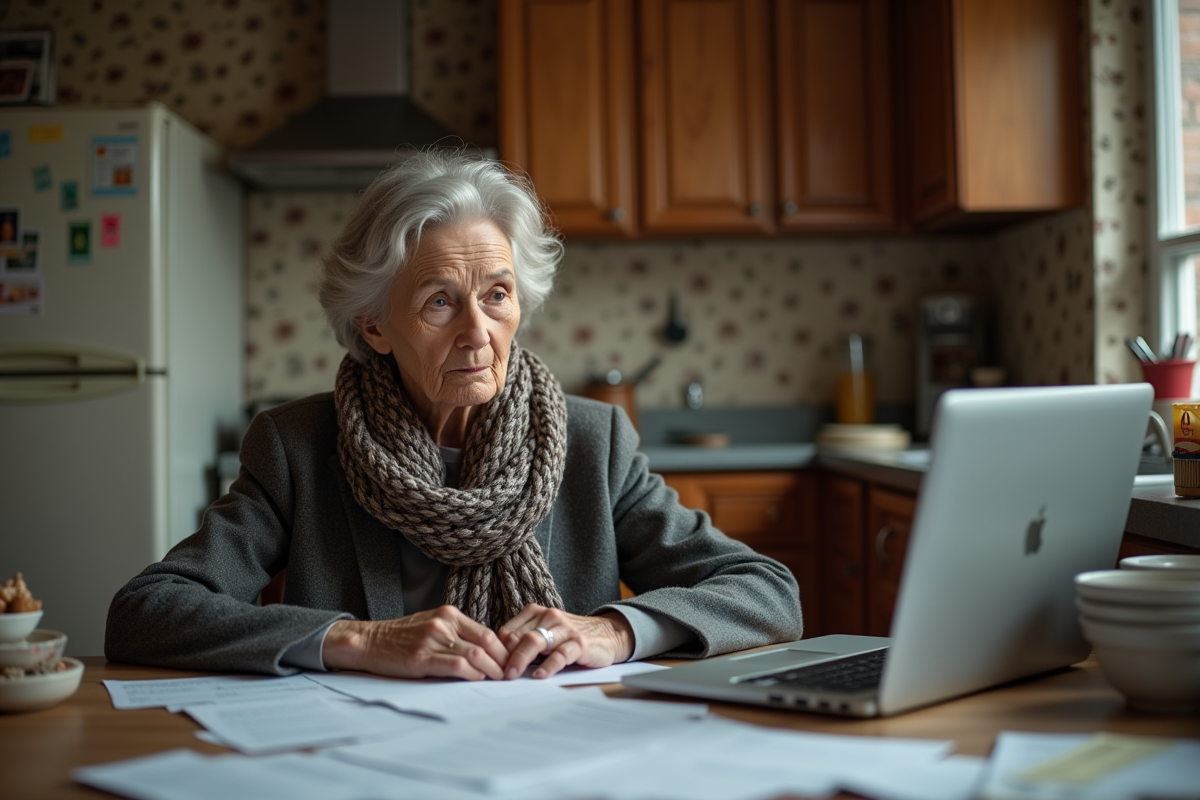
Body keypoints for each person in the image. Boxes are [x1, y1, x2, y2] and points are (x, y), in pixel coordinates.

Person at [105, 150, 803, 681]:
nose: (478, 332)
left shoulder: (595, 442)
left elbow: (768, 594)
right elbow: (146, 612)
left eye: (497, 294)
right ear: (374, 326)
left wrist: (615, 631)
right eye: (439, 300)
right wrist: (357, 640)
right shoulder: (299, 447)